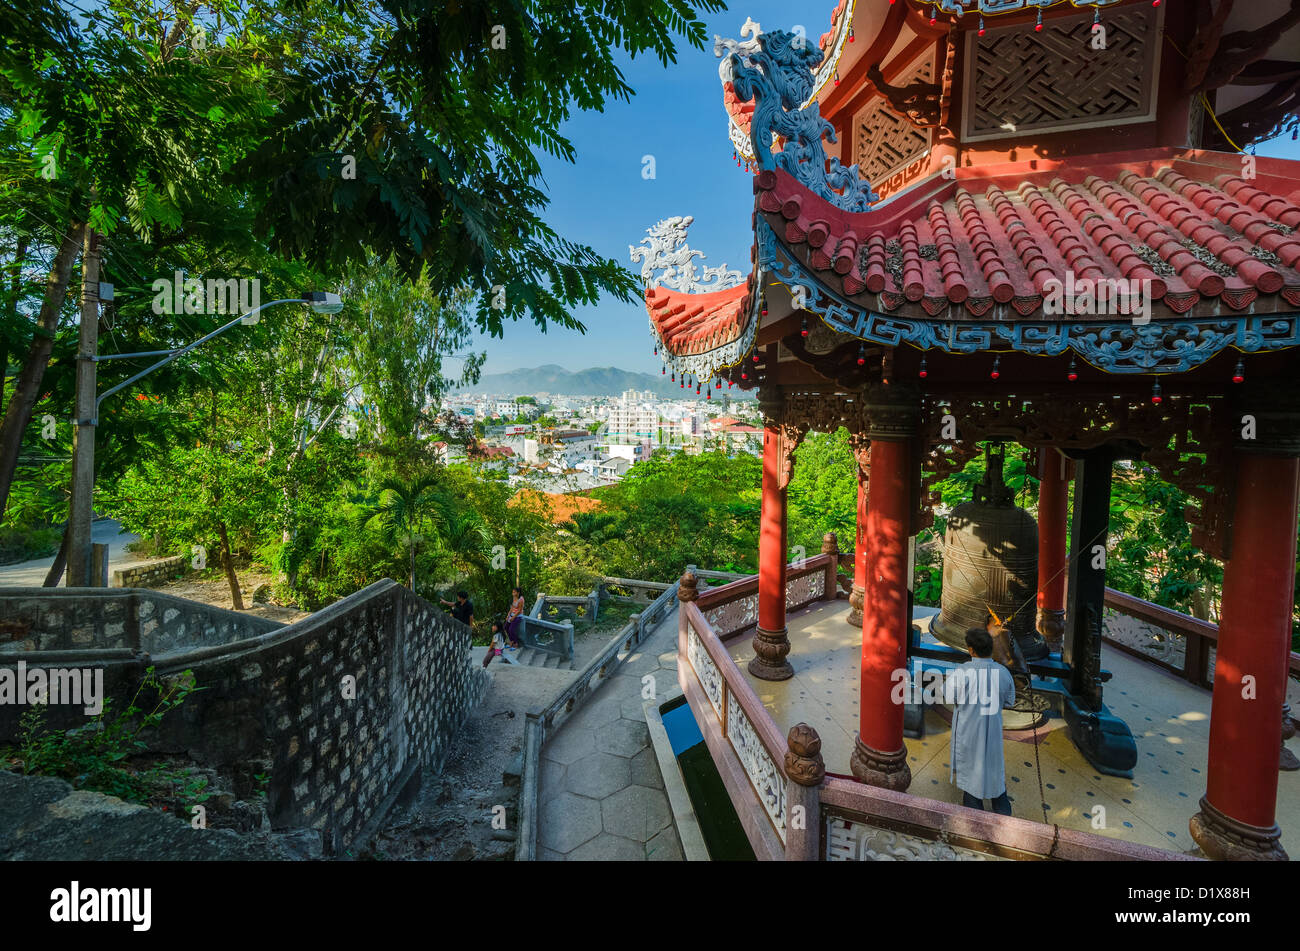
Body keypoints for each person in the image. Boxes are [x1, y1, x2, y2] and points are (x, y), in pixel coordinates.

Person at [949, 621, 1017, 816]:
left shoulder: (962, 673)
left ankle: (973, 798)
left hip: (968, 728)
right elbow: (1010, 700)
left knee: (972, 760)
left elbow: (949, 696)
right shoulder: (1003, 673)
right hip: (993, 727)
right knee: (993, 760)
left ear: (971, 650)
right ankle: (999, 798)